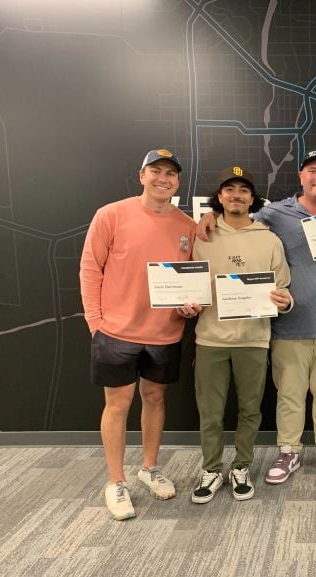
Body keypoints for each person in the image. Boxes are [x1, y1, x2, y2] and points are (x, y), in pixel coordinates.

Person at [196, 150, 316, 485]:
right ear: (301, 176)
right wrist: (208, 216)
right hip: (289, 325)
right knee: (290, 394)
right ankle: (289, 451)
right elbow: (238, 220)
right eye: (312, 171)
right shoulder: (276, 213)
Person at [79, 149, 200, 520]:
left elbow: (189, 279)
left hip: (164, 332)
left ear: (178, 182)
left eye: (171, 174)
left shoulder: (187, 226)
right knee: (117, 405)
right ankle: (116, 481)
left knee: (155, 399)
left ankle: (149, 468)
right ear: (142, 175)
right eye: (156, 171)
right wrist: (96, 322)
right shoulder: (111, 214)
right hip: (116, 332)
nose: (163, 178)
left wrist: (188, 306)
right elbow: (89, 268)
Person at [189, 165, 293, 504]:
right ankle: (211, 468)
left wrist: (285, 300)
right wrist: (185, 304)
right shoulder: (201, 236)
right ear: (219, 197)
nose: (236, 195)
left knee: (250, 409)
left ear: (253, 199)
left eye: (244, 190)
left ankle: (242, 467)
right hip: (210, 339)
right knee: (211, 411)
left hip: (253, 339)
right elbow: (186, 286)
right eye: (229, 189)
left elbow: (284, 289)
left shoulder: (269, 239)